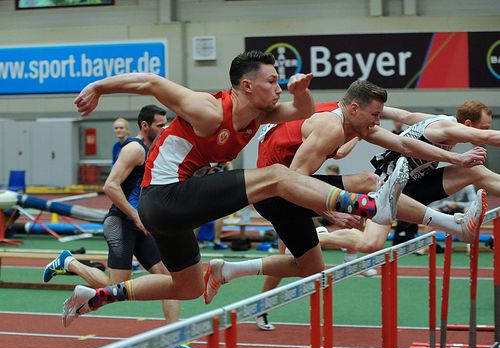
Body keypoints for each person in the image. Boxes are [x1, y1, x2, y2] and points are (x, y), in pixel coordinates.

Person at [61, 51, 411, 327]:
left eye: (279, 82)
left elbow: (298, 114)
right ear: (247, 85)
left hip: (175, 212)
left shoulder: (257, 116)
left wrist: (301, 93)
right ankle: (367, 206)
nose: (278, 88)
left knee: (189, 287)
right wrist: (99, 87)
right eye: (272, 81)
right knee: (274, 175)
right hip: (164, 198)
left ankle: (98, 296)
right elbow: (152, 82)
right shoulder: (210, 110)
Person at [233, 81, 488, 330]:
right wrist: (331, 210)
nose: (377, 121)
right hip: (274, 193)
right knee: (369, 181)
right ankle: (454, 226)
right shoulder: (330, 126)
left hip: (281, 191)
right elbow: (295, 180)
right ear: (354, 108)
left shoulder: (354, 123)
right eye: (375, 115)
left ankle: (230, 272)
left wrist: (456, 157)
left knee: (309, 266)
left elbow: (403, 144)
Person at [44, 105, 204, 348]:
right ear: (144, 126)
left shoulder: (156, 150)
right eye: (160, 125)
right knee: (114, 287)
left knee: (172, 281)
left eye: (165, 124)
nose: (164, 129)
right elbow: (110, 186)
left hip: (140, 225)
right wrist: (135, 216)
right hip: (120, 223)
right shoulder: (134, 149)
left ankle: (173, 340)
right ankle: (70, 262)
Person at [315, 100, 495, 260]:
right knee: (371, 244)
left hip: (416, 183)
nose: (487, 131)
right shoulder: (446, 128)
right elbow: (488, 137)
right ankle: (323, 237)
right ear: (468, 124)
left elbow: (405, 115)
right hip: (390, 185)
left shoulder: (441, 119)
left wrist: (373, 109)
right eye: (485, 127)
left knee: (475, 171)